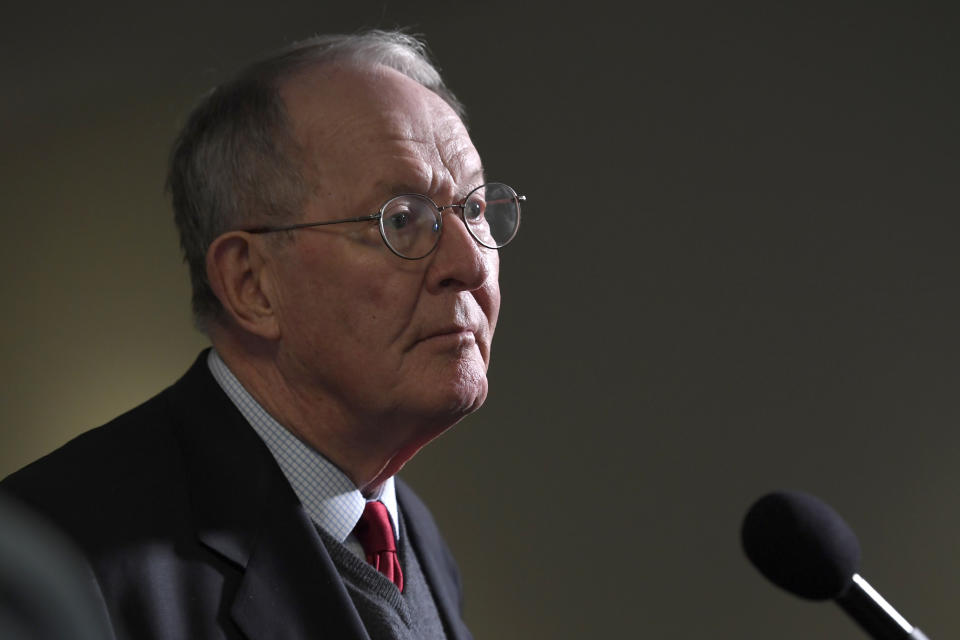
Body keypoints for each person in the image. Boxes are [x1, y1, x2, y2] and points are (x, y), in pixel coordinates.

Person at [1, 30, 522, 640]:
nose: (469, 262)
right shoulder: (50, 559)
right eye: (402, 220)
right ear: (250, 283)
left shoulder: (412, 535)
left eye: (475, 210)